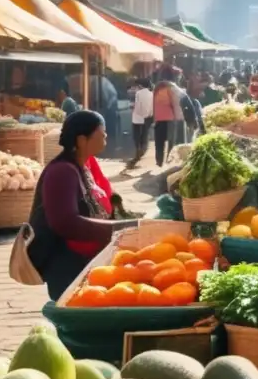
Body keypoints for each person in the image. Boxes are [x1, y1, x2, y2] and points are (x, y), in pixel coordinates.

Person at [25, 111, 135, 300]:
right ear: (82, 140)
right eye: (101, 134)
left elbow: (106, 192)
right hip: (68, 266)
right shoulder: (61, 172)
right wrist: (121, 229)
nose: (106, 137)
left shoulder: (87, 162)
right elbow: (65, 223)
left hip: (90, 261)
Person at [152, 67, 185, 166]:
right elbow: (175, 104)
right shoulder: (171, 87)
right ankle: (170, 160)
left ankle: (159, 161)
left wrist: (154, 118)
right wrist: (179, 117)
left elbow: (154, 104)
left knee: (159, 141)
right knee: (172, 141)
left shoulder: (157, 87)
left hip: (159, 118)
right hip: (170, 118)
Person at [130, 78, 154, 163]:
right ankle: (142, 149)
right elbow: (152, 107)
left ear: (140, 85)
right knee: (144, 134)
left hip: (137, 117)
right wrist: (150, 114)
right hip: (147, 117)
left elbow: (137, 106)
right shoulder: (152, 94)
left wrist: (135, 112)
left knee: (136, 134)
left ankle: (138, 149)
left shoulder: (138, 93)